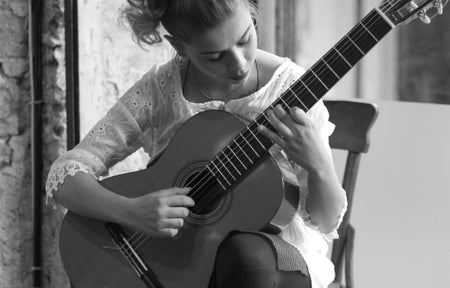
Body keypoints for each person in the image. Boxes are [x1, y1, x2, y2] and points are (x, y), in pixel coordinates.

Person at [46, 0, 347, 287]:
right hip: (178, 260)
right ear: (180, 47)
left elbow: (325, 221)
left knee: (245, 257)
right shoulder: (160, 91)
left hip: (275, 262)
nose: (239, 64)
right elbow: (65, 175)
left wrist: (319, 165)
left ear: (252, 14)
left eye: (245, 39)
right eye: (214, 56)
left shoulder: (293, 91)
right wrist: (130, 211)